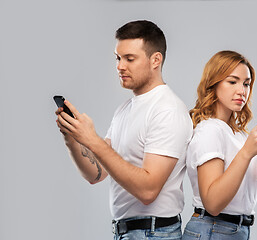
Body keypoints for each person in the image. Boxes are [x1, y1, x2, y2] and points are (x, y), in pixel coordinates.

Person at [55, 20, 193, 240]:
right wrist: (73, 138)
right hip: (129, 233)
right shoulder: (124, 110)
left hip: (154, 234)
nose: (120, 66)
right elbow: (96, 173)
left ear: (156, 60)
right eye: (118, 58)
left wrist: (93, 140)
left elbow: (148, 191)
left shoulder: (168, 110)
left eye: (130, 59)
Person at [183, 50, 257, 240]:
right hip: (213, 229)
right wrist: (247, 153)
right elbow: (213, 203)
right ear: (213, 83)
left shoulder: (237, 134)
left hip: (232, 231)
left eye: (246, 83)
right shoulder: (210, 130)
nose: (242, 90)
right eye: (232, 82)